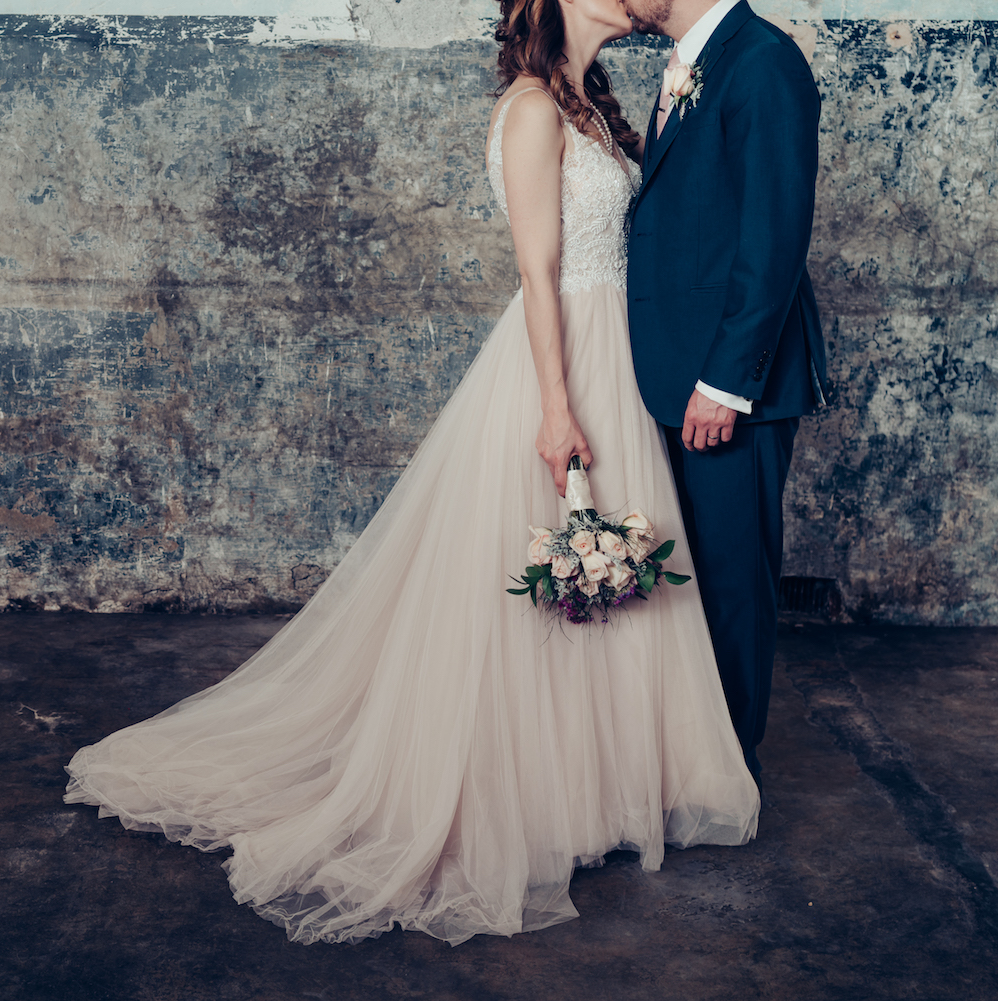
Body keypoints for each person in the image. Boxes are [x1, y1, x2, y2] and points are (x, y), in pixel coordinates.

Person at [64, 0, 759, 946]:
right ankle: (525, 792)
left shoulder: (595, 106)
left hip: (621, 360)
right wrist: (558, 409)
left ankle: (598, 786)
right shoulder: (528, 111)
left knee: (616, 579)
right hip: (564, 364)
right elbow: (538, 268)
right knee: (541, 583)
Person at [622, 0, 826, 791]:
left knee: (735, 582)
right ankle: (694, 757)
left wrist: (724, 382)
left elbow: (775, 234)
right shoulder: (692, 64)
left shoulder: (763, 60)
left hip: (731, 384)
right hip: (680, 371)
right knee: (695, 578)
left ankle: (729, 773)